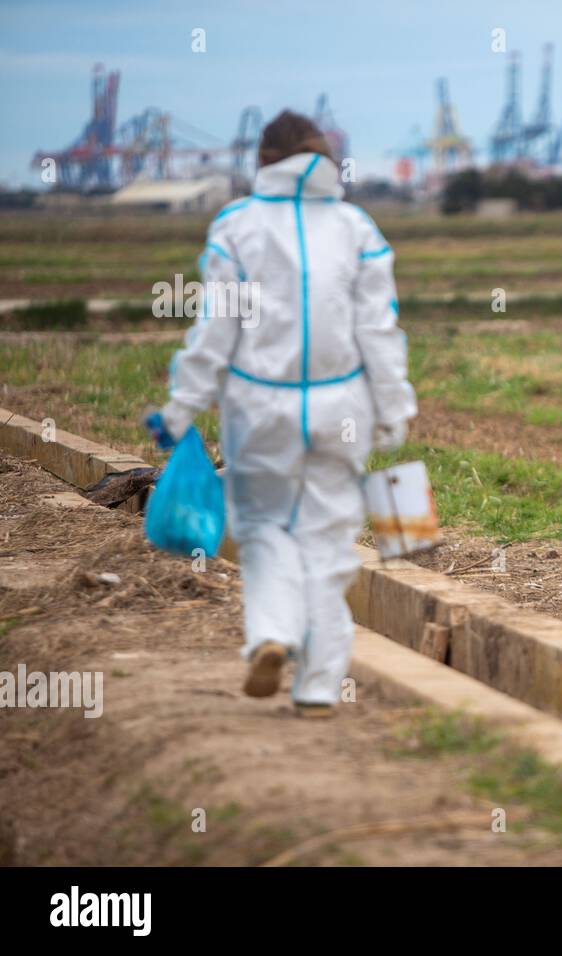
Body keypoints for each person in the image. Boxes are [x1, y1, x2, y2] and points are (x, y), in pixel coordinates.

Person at [144, 110, 418, 716]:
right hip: (339, 405)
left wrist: (181, 406)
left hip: (258, 405)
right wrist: (393, 406)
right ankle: (319, 685)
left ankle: (271, 632)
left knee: (265, 528)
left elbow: (214, 330)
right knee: (328, 541)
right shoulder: (356, 227)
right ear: (324, 160)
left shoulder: (236, 225)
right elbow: (379, 328)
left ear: (263, 160)